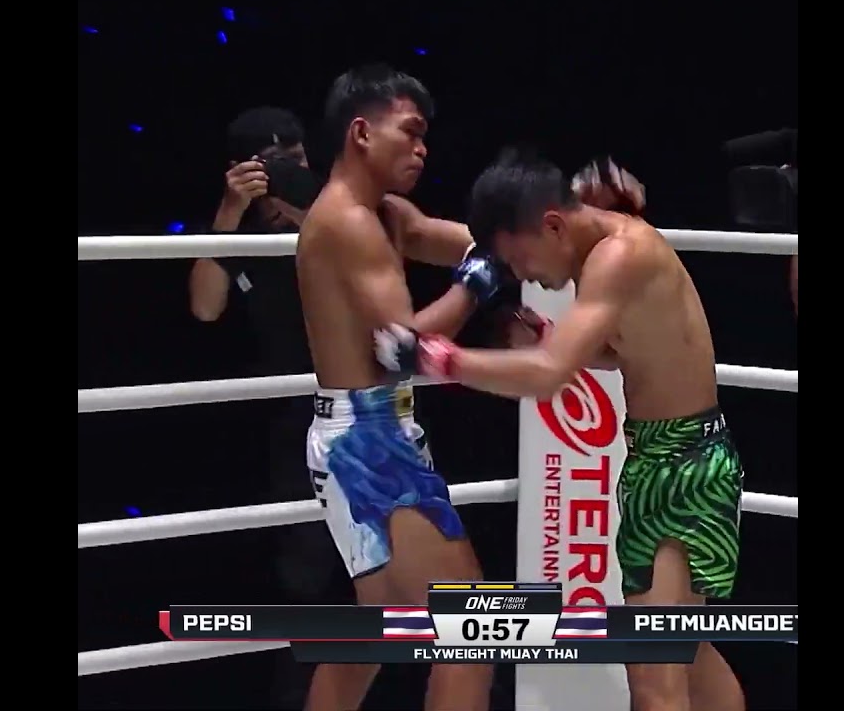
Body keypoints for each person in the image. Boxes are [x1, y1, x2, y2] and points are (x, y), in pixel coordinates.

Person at [374, 148, 747, 711]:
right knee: (689, 656)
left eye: (519, 259)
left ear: (552, 225)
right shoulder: (605, 247)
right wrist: (552, 337)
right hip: (669, 458)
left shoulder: (618, 256)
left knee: (655, 680)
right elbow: (626, 353)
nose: (524, 275)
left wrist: (440, 358)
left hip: (683, 469)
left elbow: (550, 376)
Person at [295, 64, 509, 711]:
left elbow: (462, 243)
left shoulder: (384, 214)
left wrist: (514, 241)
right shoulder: (347, 222)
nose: (422, 149)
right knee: (471, 632)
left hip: (372, 433)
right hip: (367, 443)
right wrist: (479, 284)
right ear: (361, 132)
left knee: (377, 634)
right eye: (409, 132)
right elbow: (403, 347)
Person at [185, 106, 343, 709]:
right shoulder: (239, 232)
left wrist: (307, 209)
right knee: (304, 579)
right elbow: (205, 306)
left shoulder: (339, 215)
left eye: (293, 160)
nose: (282, 173)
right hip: (291, 423)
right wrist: (230, 212)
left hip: (366, 404)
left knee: (388, 577)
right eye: (268, 164)